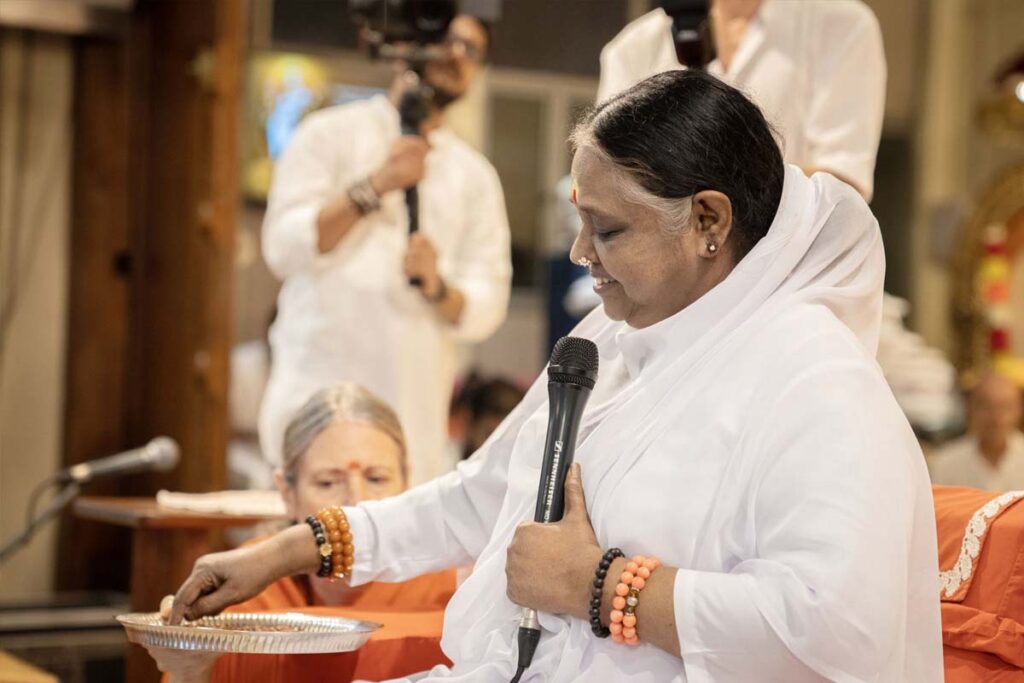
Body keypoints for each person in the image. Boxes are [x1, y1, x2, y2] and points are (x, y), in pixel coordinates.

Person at [163, 71, 942, 681]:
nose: (578, 253)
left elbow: (838, 633)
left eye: (607, 228)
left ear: (708, 220)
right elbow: (483, 493)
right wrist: (285, 550)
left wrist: (600, 586)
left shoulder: (816, 380)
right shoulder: (617, 335)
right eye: (579, 220)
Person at [260, 14, 512, 486]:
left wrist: (437, 287)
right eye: (449, 41)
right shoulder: (329, 133)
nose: (458, 56)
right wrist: (376, 185)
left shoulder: (474, 175)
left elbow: (487, 305)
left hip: (410, 416)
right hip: (314, 397)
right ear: (412, 46)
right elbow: (284, 247)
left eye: (473, 51)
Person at [155, 384, 456, 683]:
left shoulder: (450, 586)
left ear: (407, 485)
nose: (355, 503)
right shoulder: (242, 589)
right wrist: (188, 670)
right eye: (327, 483)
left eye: (377, 478)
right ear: (287, 493)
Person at [598, 0, 885, 201]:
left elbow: (839, 184)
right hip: (661, 270)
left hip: (790, 270)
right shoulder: (634, 48)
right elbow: (609, 177)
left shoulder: (841, 25)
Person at [929, 371, 1024, 491]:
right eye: (987, 407)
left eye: (1005, 407)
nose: (996, 417)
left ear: (1019, 410)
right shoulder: (945, 463)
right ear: (970, 409)